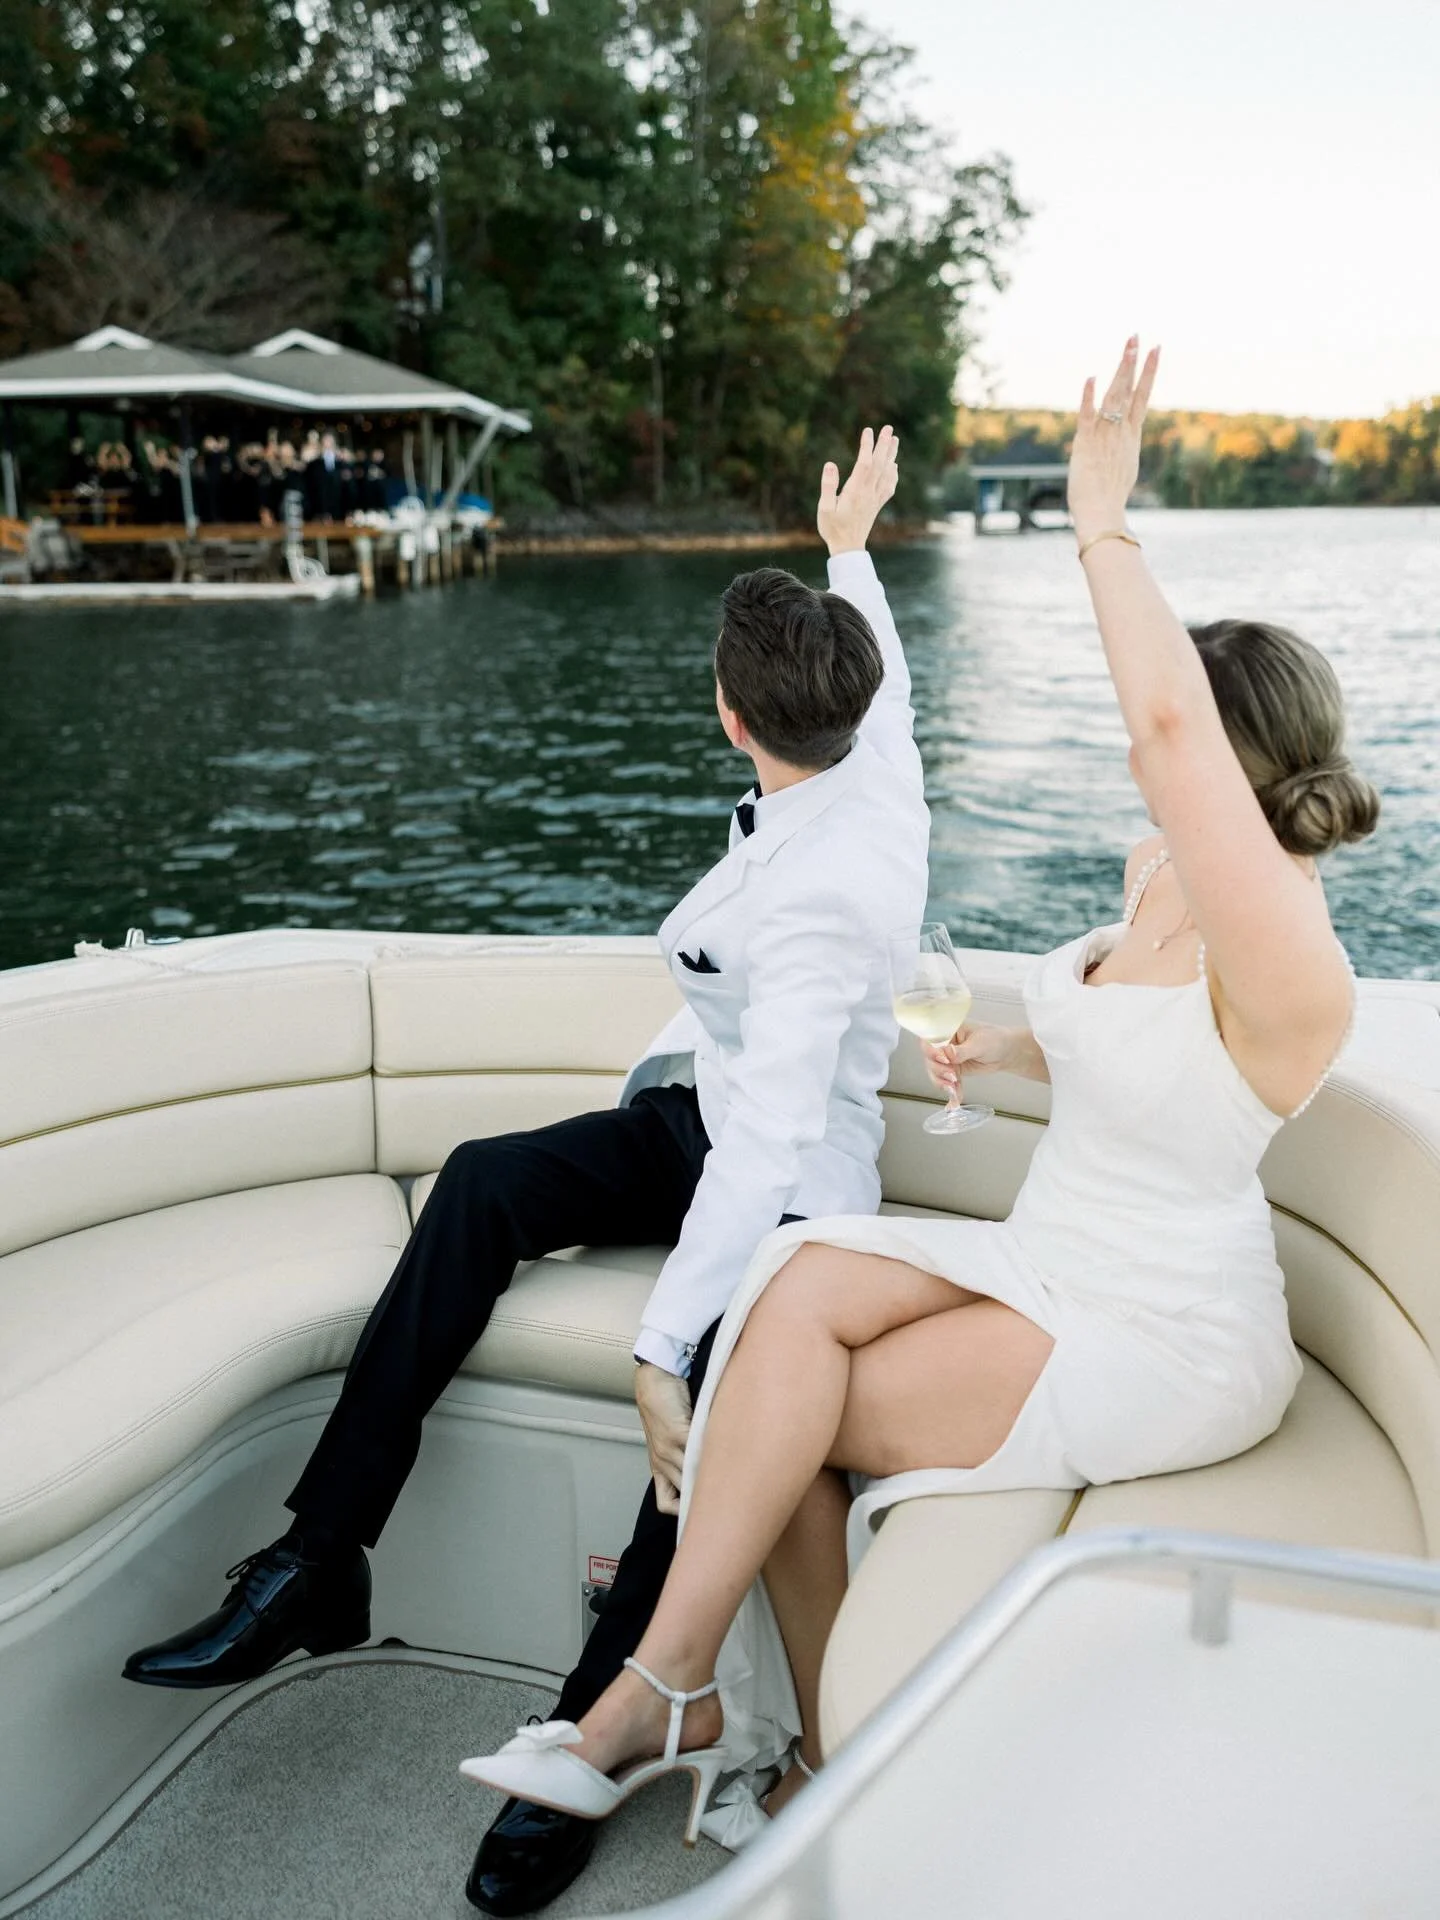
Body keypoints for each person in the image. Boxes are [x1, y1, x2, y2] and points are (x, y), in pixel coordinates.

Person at [461, 339, 1380, 1852]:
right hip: (1048, 1257)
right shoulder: (1159, 882)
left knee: (794, 1406)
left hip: (1160, 1327)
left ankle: (692, 1707)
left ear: (1226, 760)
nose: (1149, 769)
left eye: (1181, 754)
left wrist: (1103, 520)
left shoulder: (1297, 960)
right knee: (789, 1281)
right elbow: (1150, 1047)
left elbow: (1164, 734)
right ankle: (737, 1721)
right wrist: (1019, 1047)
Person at [121, 428, 932, 1904]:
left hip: (790, 1186)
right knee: (484, 1178)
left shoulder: (829, 889)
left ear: (730, 717)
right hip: (705, 1119)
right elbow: (881, 668)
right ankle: (318, 1557)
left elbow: (763, 1158)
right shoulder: (871, 763)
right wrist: (853, 550)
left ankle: (591, 1730)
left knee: (689, 1421)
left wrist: (662, 1341)